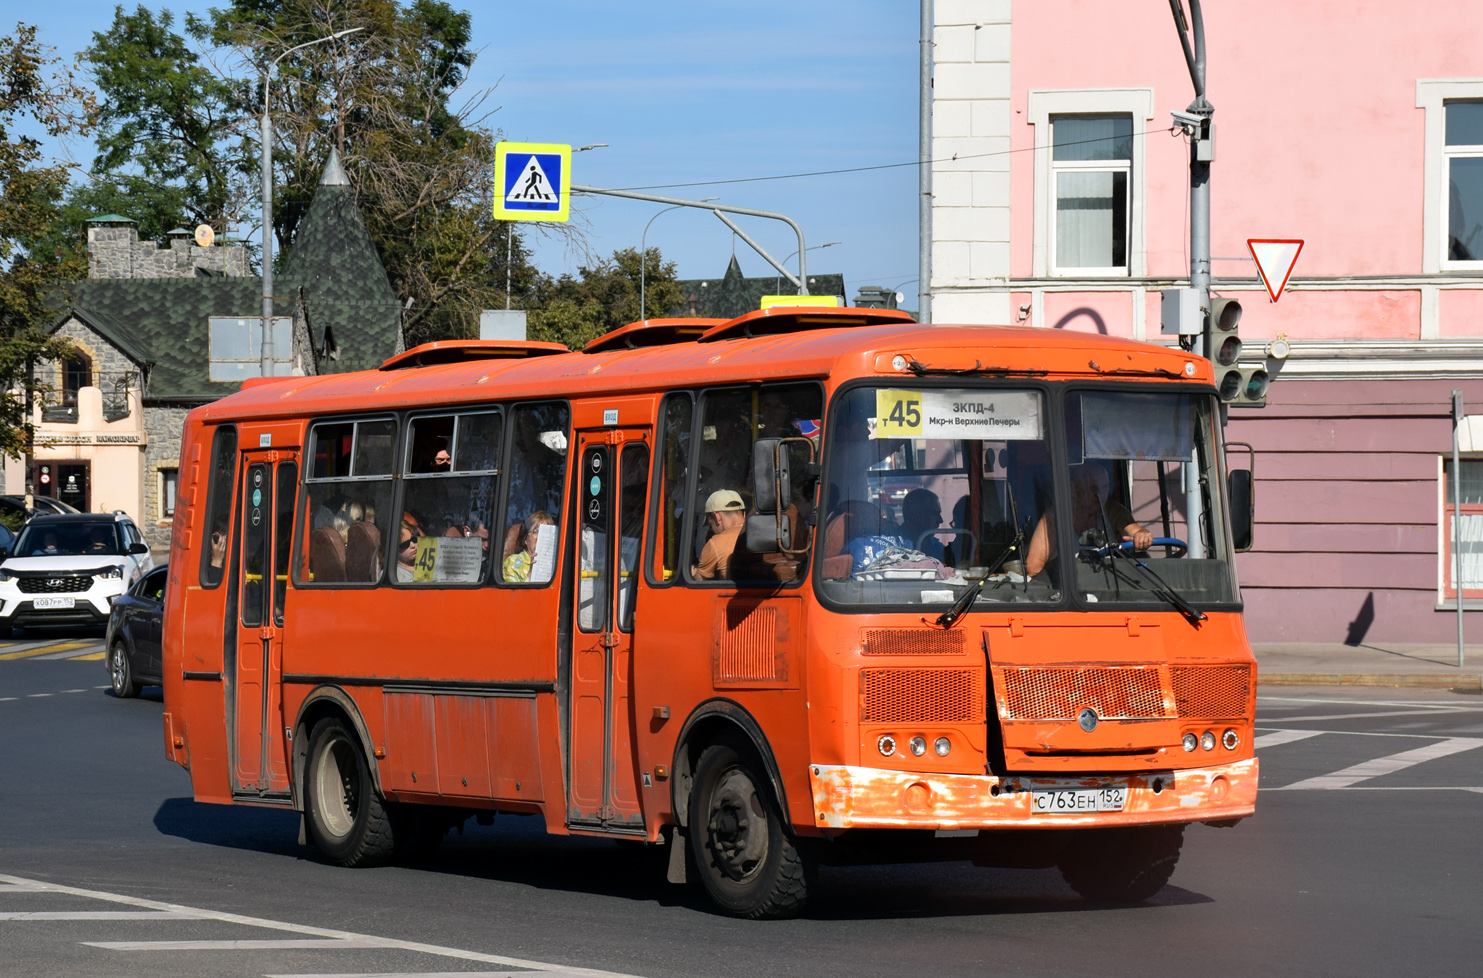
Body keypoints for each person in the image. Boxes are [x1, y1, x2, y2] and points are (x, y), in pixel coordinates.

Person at [1025, 463, 1153, 578]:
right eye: (1093, 488)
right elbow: (1033, 568)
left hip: (1107, 591)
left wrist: (1142, 535)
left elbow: (1134, 531)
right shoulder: (1056, 516)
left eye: (1105, 487)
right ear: (1074, 488)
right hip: (1068, 591)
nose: (1100, 494)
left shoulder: (1114, 511)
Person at [692, 490, 746, 580]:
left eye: (710, 524)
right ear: (743, 513)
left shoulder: (716, 543)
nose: (712, 530)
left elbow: (700, 581)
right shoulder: (762, 532)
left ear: (717, 517)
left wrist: (693, 572)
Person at [504, 511, 555, 582]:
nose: (541, 537)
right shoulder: (512, 563)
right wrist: (531, 572)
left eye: (546, 532)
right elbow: (512, 593)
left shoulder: (555, 562)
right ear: (525, 539)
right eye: (536, 531)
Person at [900, 488, 946, 561]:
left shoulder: (937, 548)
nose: (940, 520)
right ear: (916, 515)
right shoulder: (890, 544)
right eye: (934, 514)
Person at [395, 513, 423, 583]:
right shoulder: (393, 575)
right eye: (405, 544)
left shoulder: (427, 565)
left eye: (414, 539)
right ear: (394, 550)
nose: (413, 545)